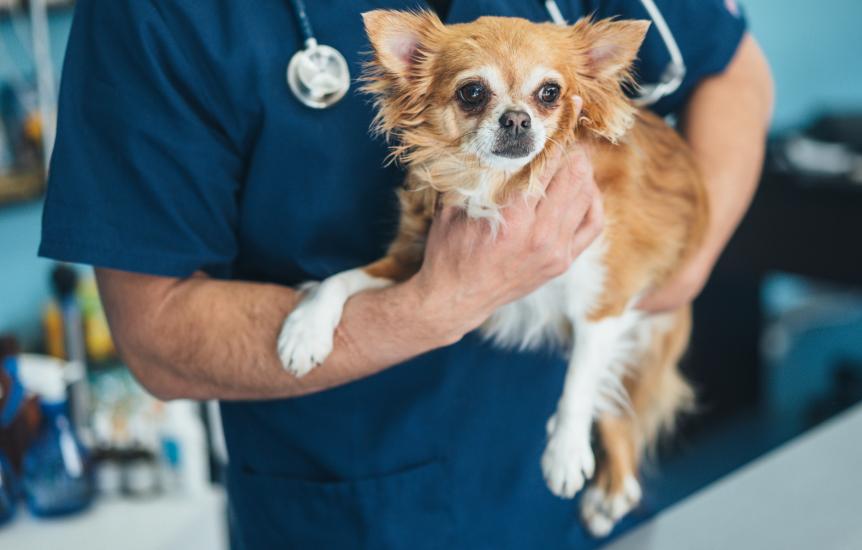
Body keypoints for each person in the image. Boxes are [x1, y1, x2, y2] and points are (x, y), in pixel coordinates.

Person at [40, 0, 772, 548]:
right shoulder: (159, 14)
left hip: (574, 504)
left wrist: (679, 263)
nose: (519, 117)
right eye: (475, 94)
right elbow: (156, 332)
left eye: (544, 97)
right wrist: (433, 305)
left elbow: (735, 70)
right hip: (355, 511)